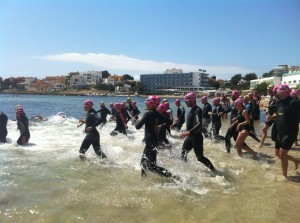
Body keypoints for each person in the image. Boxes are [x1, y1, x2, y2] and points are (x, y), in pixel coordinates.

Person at [135, 96, 178, 179]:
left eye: (147, 103)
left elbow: (137, 126)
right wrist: (163, 121)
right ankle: (144, 180)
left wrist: (139, 120)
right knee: (143, 163)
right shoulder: (157, 113)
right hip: (153, 141)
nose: (146, 104)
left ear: (150, 104)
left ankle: (171, 176)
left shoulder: (148, 113)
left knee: (151, 166)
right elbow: (170, 121)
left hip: (150, 142)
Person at [180, 92, 217, 173]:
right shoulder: (192, 110)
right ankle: (185, 171)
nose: (186, 103)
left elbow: (199, 124)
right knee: (183, 154)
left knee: (200, 157)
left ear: (192, 100)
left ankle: (214, 170)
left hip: (196, 137)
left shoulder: (197, 110)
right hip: (190, 137)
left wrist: (188, 132)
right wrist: (188, 133)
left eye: (187, 101)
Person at [269, 84, 300, 177]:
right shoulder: (278, 102)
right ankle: (296, 161)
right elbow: (279, 114)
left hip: (290, 132)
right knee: (277, 153)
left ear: (283, 91)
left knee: (282, 154)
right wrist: (271, 117)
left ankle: (285, 177)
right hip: (280, 132)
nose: (275, 93)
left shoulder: (294, 102)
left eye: (277, 91)